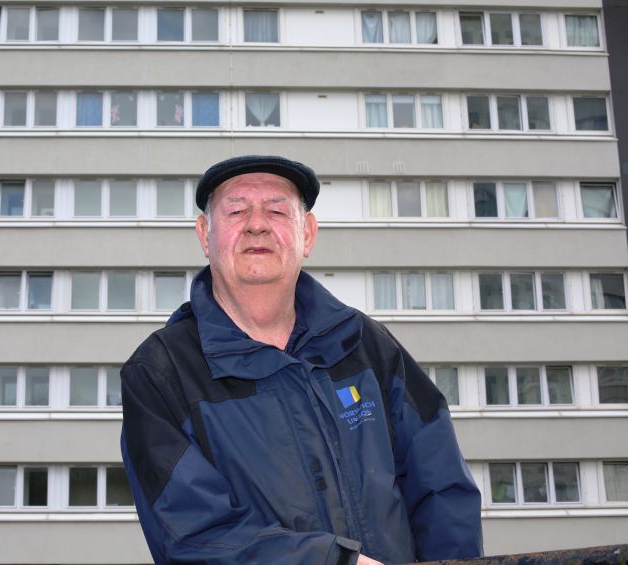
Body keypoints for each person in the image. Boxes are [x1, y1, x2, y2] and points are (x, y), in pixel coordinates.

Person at [120, 155, 483, 565]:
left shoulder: (367, 345)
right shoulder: (160, 373)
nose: (257, 224)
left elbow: (441, 487)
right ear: (205, 235)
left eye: (277, 210)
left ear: (307, 233)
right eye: (237, 210)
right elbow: (191, 535)